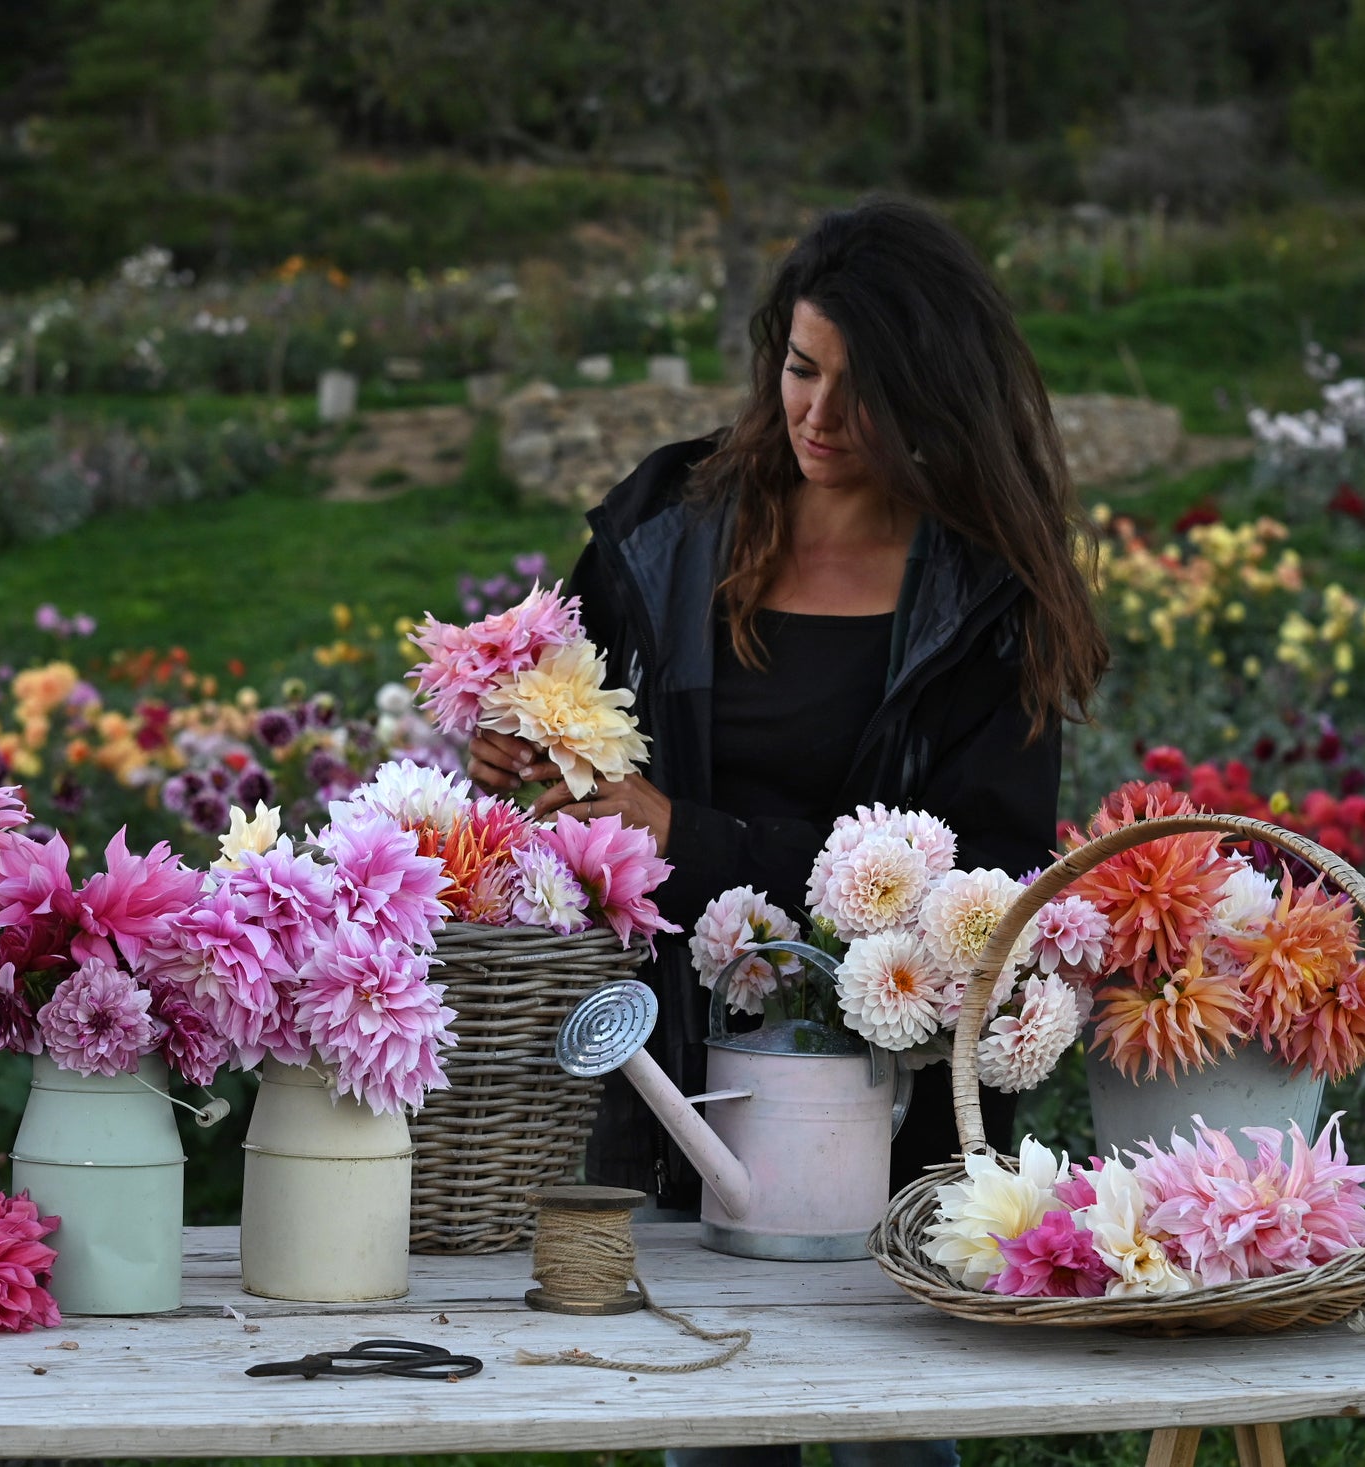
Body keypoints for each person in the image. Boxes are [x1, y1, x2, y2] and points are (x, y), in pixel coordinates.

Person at [469, 198, 1107, 1467]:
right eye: (800, 370)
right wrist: (515, 757)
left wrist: (689, 833)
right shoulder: (667, 528)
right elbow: (579, 747)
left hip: (883, 1107)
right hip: (669, 1079)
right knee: (702, 1426)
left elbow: (983, 873)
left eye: (861, 395)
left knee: (891, 1436)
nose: (816, 417)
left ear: (933, 400)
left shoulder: (985, 598)